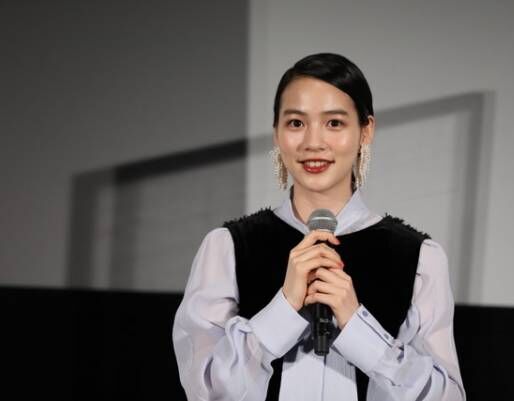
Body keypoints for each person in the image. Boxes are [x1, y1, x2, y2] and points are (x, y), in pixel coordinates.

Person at [172, 53, 466, 401]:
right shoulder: (228, 248)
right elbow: (205, 392)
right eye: (296, 123)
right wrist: (283, 309)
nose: (313, 142)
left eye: (334, 123)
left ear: (366, 130)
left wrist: (357, 326)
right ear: (277, 133)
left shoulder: (419, 258)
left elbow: (447, 397)